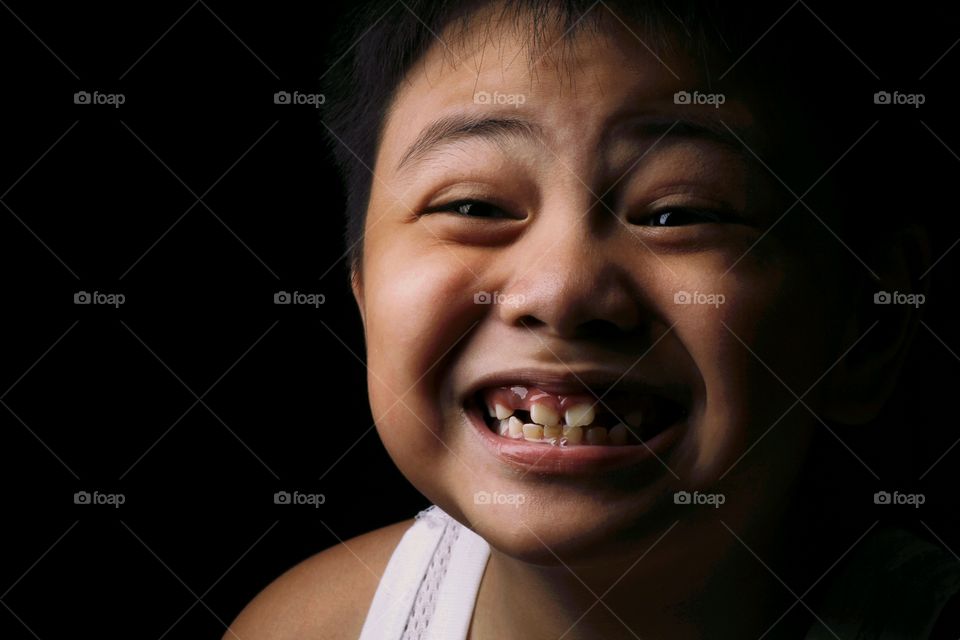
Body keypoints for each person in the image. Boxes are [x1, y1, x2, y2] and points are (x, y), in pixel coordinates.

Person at [227, 1, 960, 637]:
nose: (562, 291)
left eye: (679, 213)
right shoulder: (314, 626)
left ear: (869, 323)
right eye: (472, 206)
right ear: (361, 291)